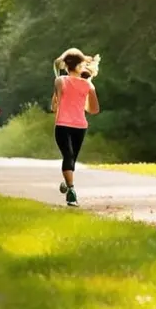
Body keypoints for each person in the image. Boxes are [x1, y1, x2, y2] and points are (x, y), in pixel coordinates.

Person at [50, 48, 101, 207]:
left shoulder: (60, 81)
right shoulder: (88, 85)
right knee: (70, 157)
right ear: (81, 66)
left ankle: (67, 183)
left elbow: (54, 106)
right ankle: (71, 191)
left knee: (69, 157)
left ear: (66, 66)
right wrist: (88, 88)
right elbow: (94, 110)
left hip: (63, 125)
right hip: (79, 126)